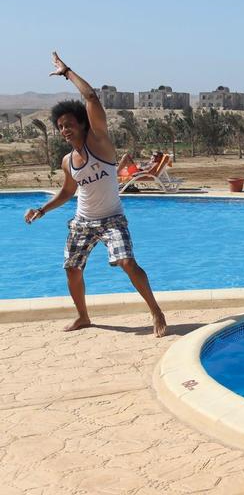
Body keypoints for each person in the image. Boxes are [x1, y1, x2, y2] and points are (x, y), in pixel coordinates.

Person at [23, 52, 167, 336]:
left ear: (81, 123)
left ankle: (156, 311)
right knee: (72, 269)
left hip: (112, 218)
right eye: (60, 126)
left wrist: (67, 72)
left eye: (69, 123)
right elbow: (67, 191)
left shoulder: (99, 143)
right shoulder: (68, 161)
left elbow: (91, 98)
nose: (64, 129)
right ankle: (83, 317)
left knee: (127, 263)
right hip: (83, 221)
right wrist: (42, 209)